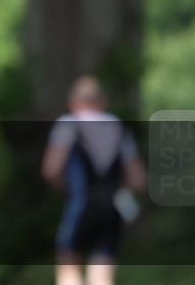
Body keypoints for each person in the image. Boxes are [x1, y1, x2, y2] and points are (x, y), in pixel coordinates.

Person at [41, 76, 147, 285]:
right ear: (102, 102)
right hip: (113, 206)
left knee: (69, 265)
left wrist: (63, 188)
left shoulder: (69, 125)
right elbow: (139, 180)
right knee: (102, 273)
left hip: (82, 204)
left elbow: (51, 170)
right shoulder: (118, 127)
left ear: (73, 103)